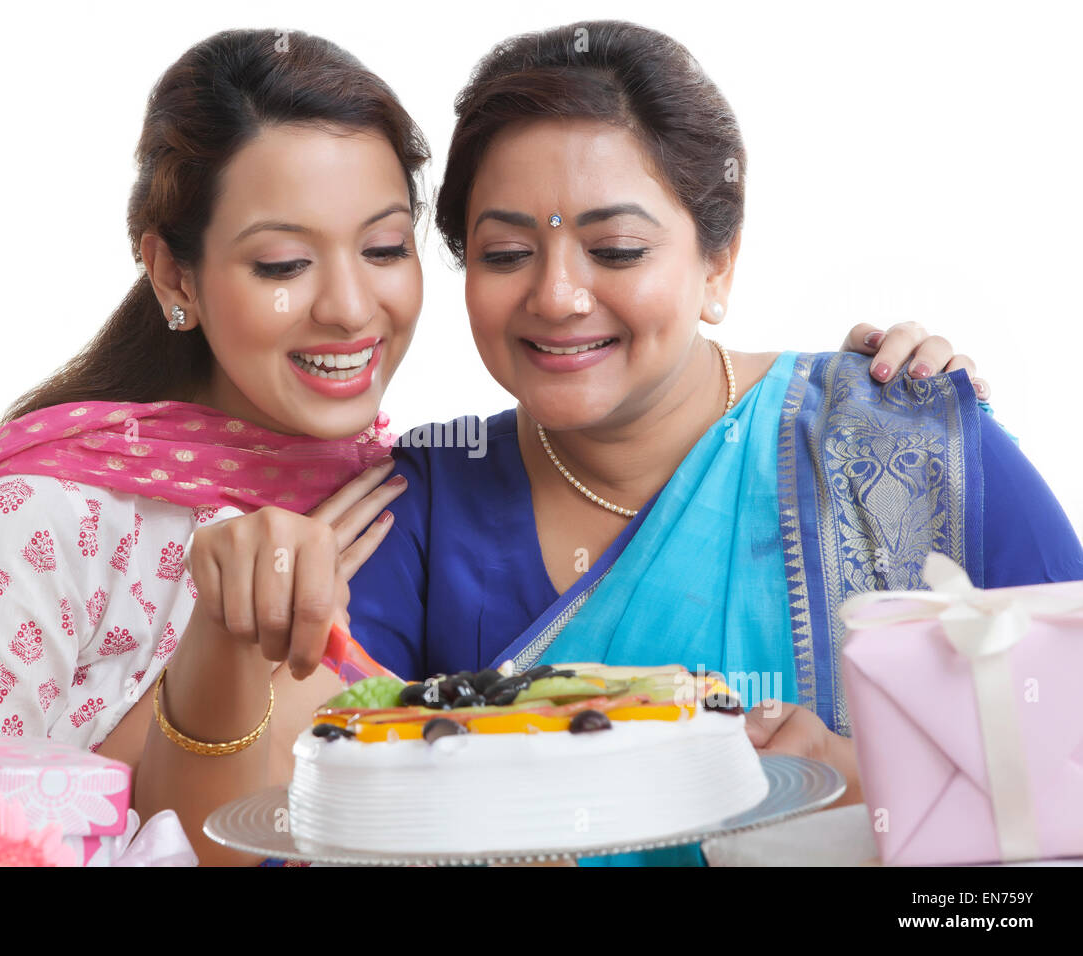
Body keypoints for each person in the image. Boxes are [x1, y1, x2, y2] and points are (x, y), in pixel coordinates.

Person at [0, 25, 989, 867]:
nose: (349, 311)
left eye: (384, 248)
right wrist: (223, 640)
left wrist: (883, 413)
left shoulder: (382, 492)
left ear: (718, 257)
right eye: (284, 265)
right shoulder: (53, 512)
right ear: (174, 275)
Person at [342, 20, 1083, 867]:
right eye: (506, 252)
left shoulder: (901, 447)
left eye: (615, 249)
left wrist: (863, 794)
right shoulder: (417, 505)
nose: (556, 295)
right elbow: (313, 817)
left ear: (719, 262)